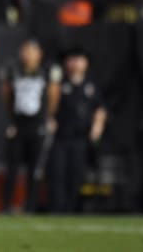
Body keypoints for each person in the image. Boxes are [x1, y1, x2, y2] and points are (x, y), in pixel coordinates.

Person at [1, 38, 61, 213]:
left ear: (39, 54)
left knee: (35, 169)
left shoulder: (47, 70)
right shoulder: (13, 69)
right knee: (12, 166)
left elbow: (53, 95)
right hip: (19, 123)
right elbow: (6, 94)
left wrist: (48, 117)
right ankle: (7, 205)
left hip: (38, 123)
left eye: (31, 51)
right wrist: (10, 119)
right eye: (25, 51)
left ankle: (30, 206)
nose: (28, 55)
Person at [49, 47, 107, 213]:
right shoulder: (60, 84)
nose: (75, 63)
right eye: (72, 59)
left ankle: (72, 210)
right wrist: (51, 118)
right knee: (57, 174)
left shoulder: (91, 86)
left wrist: (97, 126)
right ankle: (56, 210)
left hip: (81, 138)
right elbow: (51, 105)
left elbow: (100, 109)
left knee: (76, 176)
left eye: (79, 59)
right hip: (60, 137)